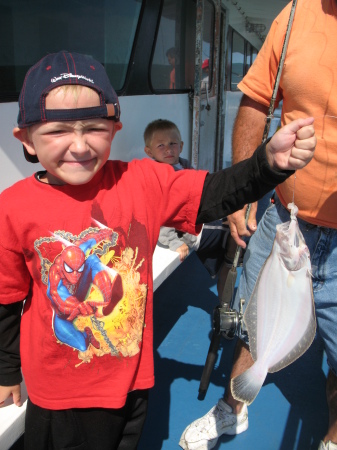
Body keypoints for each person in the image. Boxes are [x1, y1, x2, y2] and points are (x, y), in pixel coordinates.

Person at [0, 50, 315, 450]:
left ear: (115, 128)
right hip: (61, 397)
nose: (78, 146)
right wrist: (7, 371)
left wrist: (268, 164)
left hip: (133, 384)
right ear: (25, 139)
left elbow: (213, 193)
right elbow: (6, 300)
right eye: (57, 131)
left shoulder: (141, 181)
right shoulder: (11, 207)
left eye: (93, 127)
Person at [179, 1, 337, 450]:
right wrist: (244, 193)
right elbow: (256, 100)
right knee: (251, 318)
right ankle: (233, 407)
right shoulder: (294, 15)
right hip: (285, 216)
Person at [144, 118, 230, 296]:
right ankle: (224, 282)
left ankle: (222, 268)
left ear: (181, 146)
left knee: (232, 221)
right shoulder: (158, 177)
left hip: (196, 217)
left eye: (173, 143)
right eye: (161, 145)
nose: (168, 149)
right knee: (232, 234)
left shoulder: (183, 165)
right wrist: (175, 242)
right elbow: (160, 216)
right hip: (181, 231)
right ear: (149, 151)